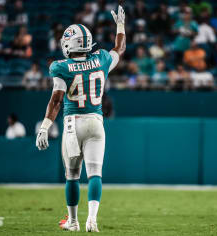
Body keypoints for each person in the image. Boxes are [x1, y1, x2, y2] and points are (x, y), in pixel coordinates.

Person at [35, 5, 126, 232]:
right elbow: (120, 48)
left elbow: (56, 100)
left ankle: (74, 221)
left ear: (69, 44)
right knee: (95, 174)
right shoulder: (102, 59)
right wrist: (121, 25)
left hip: (72, 124)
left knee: (72, 176)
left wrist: (45, 126)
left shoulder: (61, 67)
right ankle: (92, 220)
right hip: (96, 122)